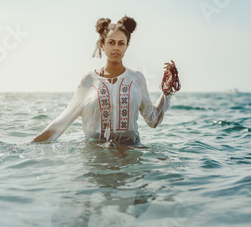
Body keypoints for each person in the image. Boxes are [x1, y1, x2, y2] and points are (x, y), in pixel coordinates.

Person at [30, 16, 180, 146]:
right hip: (96, 158)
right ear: (102, 45)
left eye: (121, 43)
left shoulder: (137, 79)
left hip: (130, 158)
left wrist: (167, 93)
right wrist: (28, 145)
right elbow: (62, 122)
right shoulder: (88, 80)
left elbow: (152, 120)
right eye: (111, 42)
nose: (116, 47)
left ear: (127, 46)